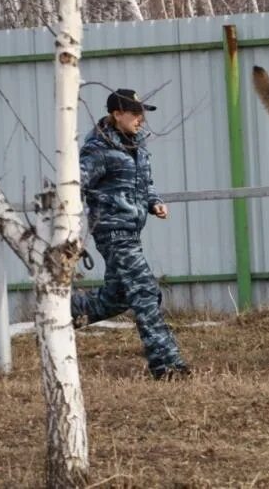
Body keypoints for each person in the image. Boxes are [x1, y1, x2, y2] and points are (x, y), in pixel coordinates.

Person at [71, 89, 189, 380]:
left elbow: (144, 183)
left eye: (142, 113)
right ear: (116, 115)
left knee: (116, 297)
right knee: (145, 292)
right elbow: (74, 185)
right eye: (135, 113)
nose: (141, 119)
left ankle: (61, 313)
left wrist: (154, 202)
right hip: (113, 233)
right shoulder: (98, 149)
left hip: (132, 231)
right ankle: (167, 366)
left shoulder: (137, 145)